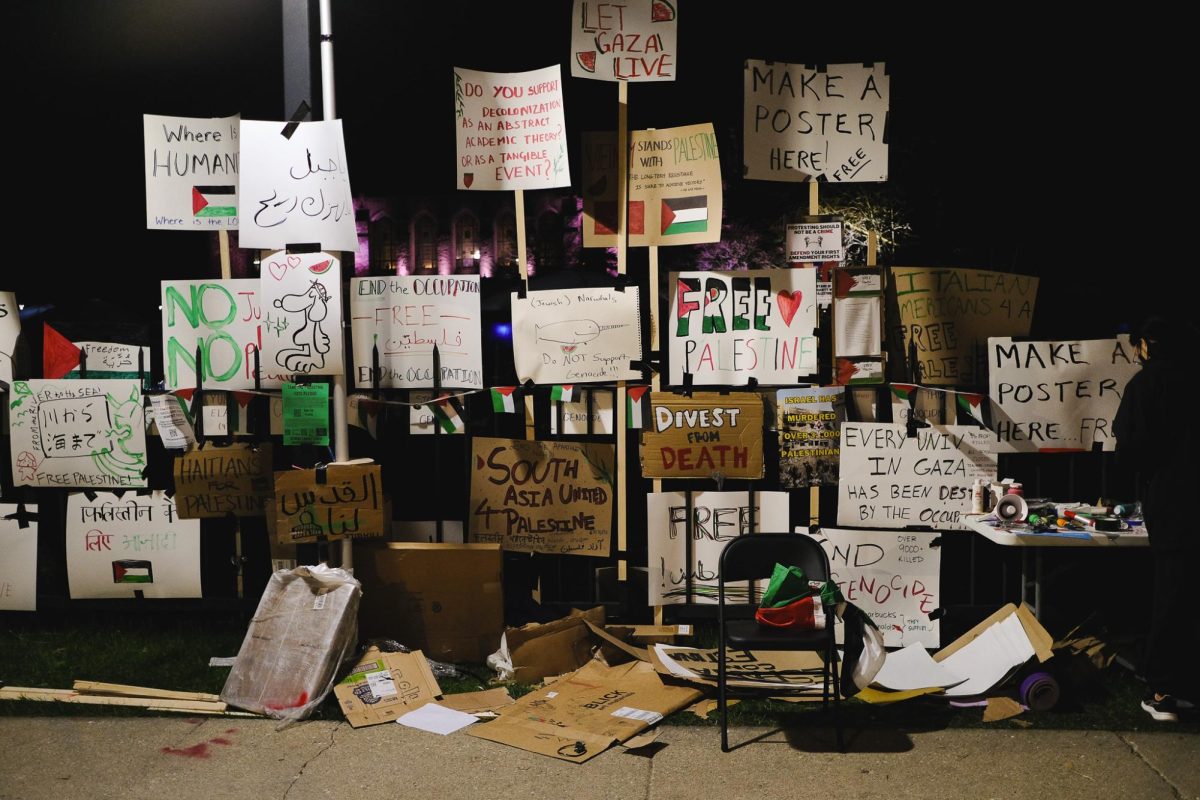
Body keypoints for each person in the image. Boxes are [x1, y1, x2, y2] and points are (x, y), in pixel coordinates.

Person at [1113, 317, 1200, 721]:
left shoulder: (1146, 385)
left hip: (1174, 504)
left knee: (1172, 594)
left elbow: (1129, 446)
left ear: (1147, 344)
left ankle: (1163, 690)